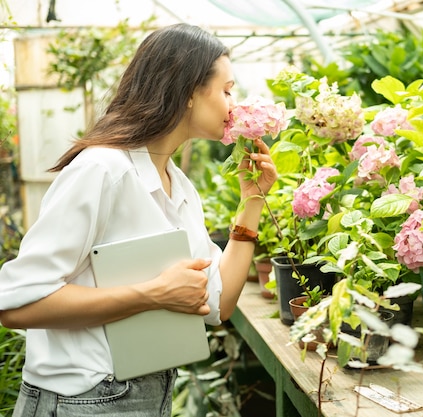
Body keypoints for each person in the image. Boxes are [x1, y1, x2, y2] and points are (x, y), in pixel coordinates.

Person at [0, 23, 277, 416]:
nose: (235, 104)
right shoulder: (102, 169)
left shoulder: (177, 185)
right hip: (82, 402)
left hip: (148, 397)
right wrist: (152, 294)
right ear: (187, 93)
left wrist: (253, 200)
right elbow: (15, 304)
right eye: (227, 90)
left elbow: (218, 304)